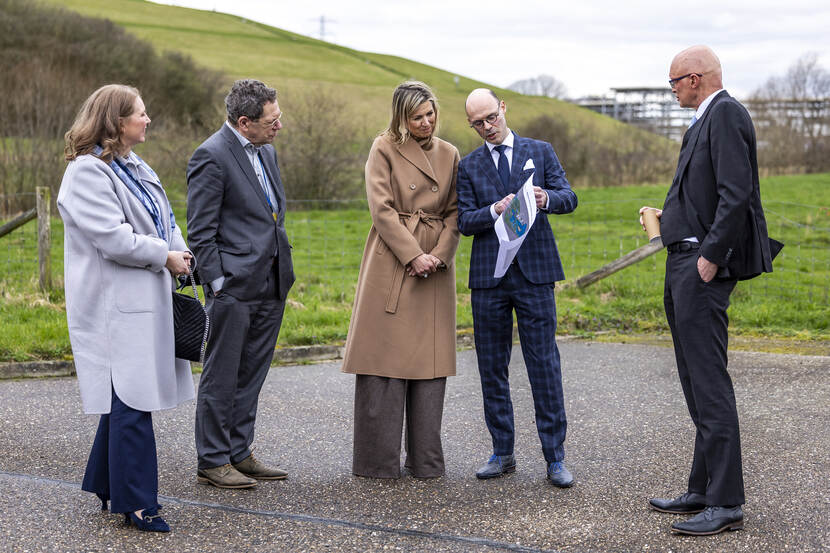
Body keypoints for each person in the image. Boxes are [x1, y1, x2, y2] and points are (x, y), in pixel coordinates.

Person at [640, 45, 782, 536]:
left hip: (700, 269)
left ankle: (726, 503)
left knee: (710, 384)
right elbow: (706, 194)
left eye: (674, 82)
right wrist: (669, 220)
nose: (672, 90)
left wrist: (710, 257)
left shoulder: (725, 115)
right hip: (681, 262)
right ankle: (702, 489)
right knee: (694, 381)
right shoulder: (702, 121)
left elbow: (736, 194)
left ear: (695, 79)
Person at [58, 84, 195, 533]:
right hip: (113, 305)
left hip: (143, 298)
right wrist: (164, 256)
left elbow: (163, 217)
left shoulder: (133, 164)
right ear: (118, 121)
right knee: (131, 399)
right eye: (141, 113)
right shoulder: (87, 172)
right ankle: (137, 502)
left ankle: (105, 482)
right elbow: (114, 238)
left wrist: (180, 251)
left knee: (128, 395)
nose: (148, 119)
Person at [456, 89, 578, 487]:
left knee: (544, 365)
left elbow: (569, 197)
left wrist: (546, 198)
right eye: (478, 123)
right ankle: (502, 452)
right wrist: (494, 210)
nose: (487, 127)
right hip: (489, 278)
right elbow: (463, 220)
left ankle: (555, 457)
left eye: (491, 117)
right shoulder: (468, 166)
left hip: (535, 274)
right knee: (492, 368)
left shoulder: (539, 151)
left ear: (503, 108)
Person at [341, 81, 460, 479]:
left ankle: (426, 461)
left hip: (435, 267)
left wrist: (438, 256)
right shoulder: (383, 147)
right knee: (383, 358)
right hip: (392, 260)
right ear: (401, 118)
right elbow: (382, 209)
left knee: (430, 359)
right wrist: (413, 255)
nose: (426, 122)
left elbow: (455, 212)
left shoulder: (449, 153)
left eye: (430, 114)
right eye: (417, 117)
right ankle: (377, 462)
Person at [187, 79, 295, 489]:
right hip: (232, 287)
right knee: (222, 374)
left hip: (272, 281)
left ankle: (239, 452)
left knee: (252, 373)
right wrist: (218, 284)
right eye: (271, 120)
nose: (279, 126)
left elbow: (271, 215)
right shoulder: (211, 156)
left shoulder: (267, 151)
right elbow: (201, 230)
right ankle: (213, 460)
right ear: (244, 121)